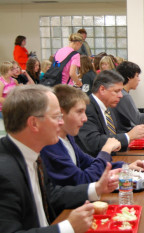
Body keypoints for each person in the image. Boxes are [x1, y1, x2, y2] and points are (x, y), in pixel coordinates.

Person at [0, 84, 119, 233]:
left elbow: (53, 195)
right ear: (34, 123)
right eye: (57, 117)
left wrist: (96, 188)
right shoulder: (5, 172)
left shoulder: (31, 154)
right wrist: (68, 227)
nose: (61, 122)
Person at [40, 84, 144, 186]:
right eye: (79, 112)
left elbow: (89, 162)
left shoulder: (68, 137)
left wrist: (125, 167)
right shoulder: (51, 145)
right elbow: (82, 179)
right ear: (61, 113)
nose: (85, 118)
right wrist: (106, 150)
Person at [76, 70, 144, 156]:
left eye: (121, 91)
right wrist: (128, 136)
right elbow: (94, 142)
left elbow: (114, 133)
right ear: (102, 89)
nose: (121, 95)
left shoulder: (108, 106)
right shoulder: (86, 108)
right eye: (116, 91)